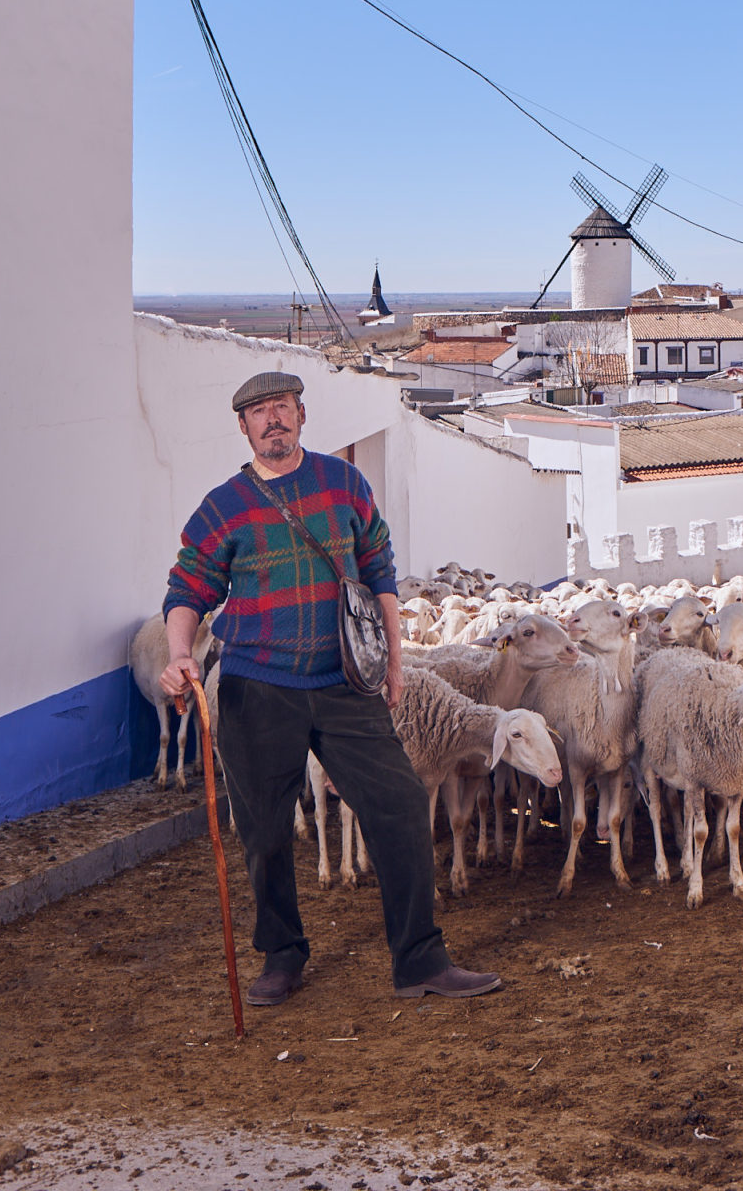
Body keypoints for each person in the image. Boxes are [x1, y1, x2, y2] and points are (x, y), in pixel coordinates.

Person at [160, 368, 501, 1007]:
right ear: (244, 427)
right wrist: (180, 654)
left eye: (283, 407)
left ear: (301, 415)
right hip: (255, 685)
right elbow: (188, 589)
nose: (273, 420)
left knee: (399, 804)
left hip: (343, 680)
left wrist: (396, 663)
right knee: (263, 829)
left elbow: (379, 570)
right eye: (260, 412)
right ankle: (282, 956)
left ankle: (420, 960)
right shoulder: (222, 507)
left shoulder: (342, 483)